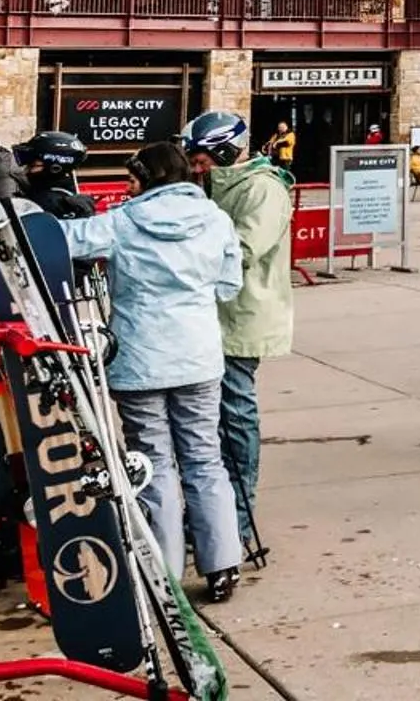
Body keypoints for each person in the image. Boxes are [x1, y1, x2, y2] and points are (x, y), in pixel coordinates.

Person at [59, 138, 246, 602]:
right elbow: (228, 286)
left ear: (146, 178)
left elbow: (65, 240)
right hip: (200, 356)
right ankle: (223, 564)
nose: (129, 187)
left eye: (133, 178)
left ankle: (164, 568)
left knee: (154, 461)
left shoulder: (121, 222)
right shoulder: (217, 220)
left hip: (141, 359)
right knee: (205, 458)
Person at [189, 110, 291, 573]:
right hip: (209, 317)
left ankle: (237, 520)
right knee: (205, 423)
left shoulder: (262, 189)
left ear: (228, 153)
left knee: (234, 415)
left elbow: (244, 250)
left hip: (243, 318)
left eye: (204, 159)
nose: (196, 167)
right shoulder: (213, 186)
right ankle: (210, 516)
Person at [15, 131, 98, 219]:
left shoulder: (47, 203)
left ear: (55, 168)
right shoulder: (64, 190)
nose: (26, 170)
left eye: (32, 165)